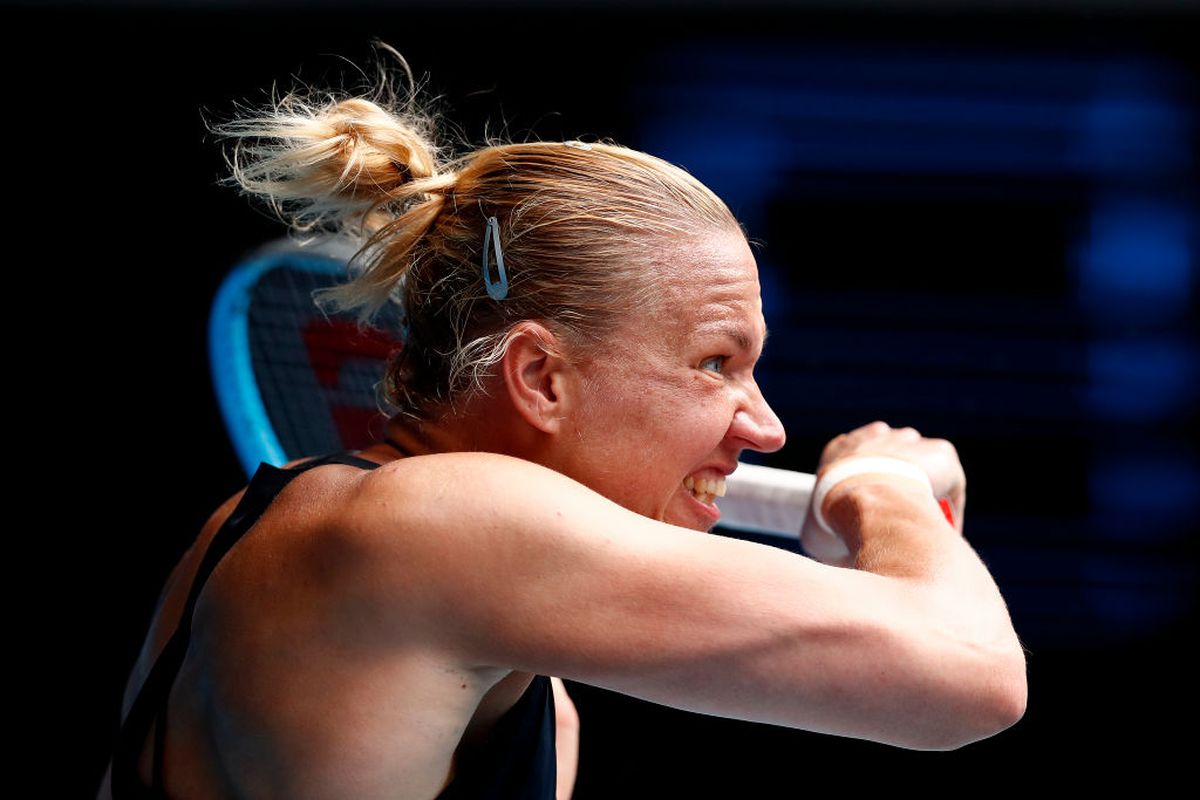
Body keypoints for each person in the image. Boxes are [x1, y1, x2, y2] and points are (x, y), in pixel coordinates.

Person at [100, 48, 1026, 800]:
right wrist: (884, 488)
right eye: (716, 364)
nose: (767, 427)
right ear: (540, 376)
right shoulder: (443, 524)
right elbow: (970, 679)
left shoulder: (261, 535)